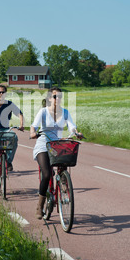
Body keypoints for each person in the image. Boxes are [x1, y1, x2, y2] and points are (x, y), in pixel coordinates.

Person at [30, 87, 83, 219]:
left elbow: (72, 126)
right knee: (47, 174)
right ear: (49, 98)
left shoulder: (65, 112)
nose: (57, 99)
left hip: (56, 144)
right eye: (54, 96)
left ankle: (62, 182)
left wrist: (76, 133)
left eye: (59, 96)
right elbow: (34, 126)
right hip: (43, 143)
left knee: (64, 161)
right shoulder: (43, 112)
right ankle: (39, 205)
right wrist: (32, 133)